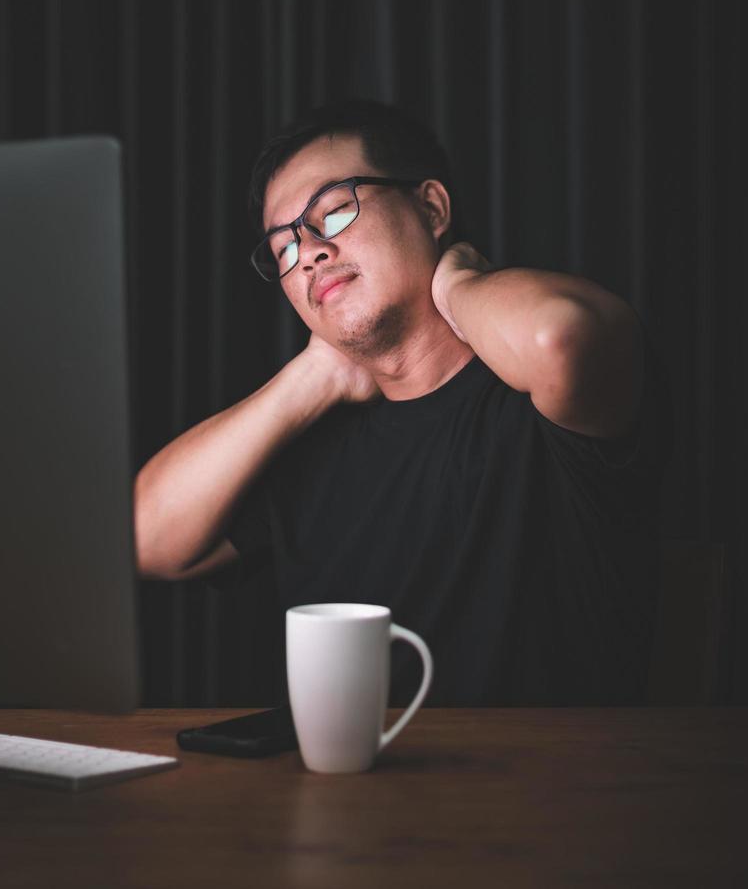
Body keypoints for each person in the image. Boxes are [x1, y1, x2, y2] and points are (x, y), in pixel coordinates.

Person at [134, 99, 667, 705]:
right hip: (353, 792)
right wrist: (314, 375)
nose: (307, 252)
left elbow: (561, 339)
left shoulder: (536, 409)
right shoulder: (314, 444)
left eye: (333, 214)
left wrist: (459, 281)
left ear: (432, 206)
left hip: (542, 790)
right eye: (283, 249)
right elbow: (146, 540)